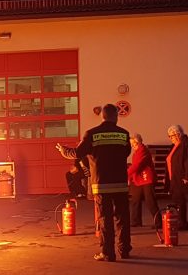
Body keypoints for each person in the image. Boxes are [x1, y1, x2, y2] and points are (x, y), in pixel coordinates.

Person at [56, 103, 132, 262]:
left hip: (101, 184)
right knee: (122, 217)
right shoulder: (124, 134)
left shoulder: (92, 134)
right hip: (120, 184)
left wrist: (63, 150)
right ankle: (124, 250)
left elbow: (77, 153)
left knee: (105, 219)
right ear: (116, 117)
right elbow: (126, 153)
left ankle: (107, 253)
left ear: (102, 116)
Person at [127, 134, 158, 227]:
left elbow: (137, 165)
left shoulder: (143, 151)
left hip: (146, 179)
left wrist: (126, 174)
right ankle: (135, 221)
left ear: (138, 142)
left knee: (150, 201)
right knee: (135, 200)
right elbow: (135, 166)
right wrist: (130, 177)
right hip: (139, 180)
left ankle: (158, 221)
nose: (132, 146)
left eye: (133, 144)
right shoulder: (137, 152)